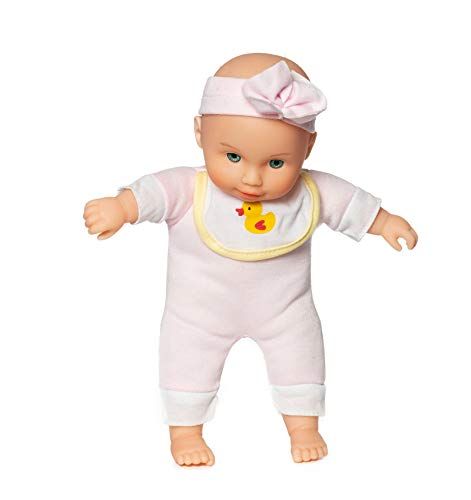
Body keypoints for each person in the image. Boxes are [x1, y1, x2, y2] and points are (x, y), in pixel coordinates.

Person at [83, 53, 418, 466]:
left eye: (276, 163)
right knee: (186, 361)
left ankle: (304, 427)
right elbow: (153, 193)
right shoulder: (190, 188)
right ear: (200, 133)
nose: (252, 178)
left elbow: (349, 203)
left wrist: (385, 222)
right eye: (233, 157)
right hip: (198, 313)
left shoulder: (310, 191)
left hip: (285, 310)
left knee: (301, 355)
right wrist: (121, 206)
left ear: (308, 147)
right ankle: (185, 433)